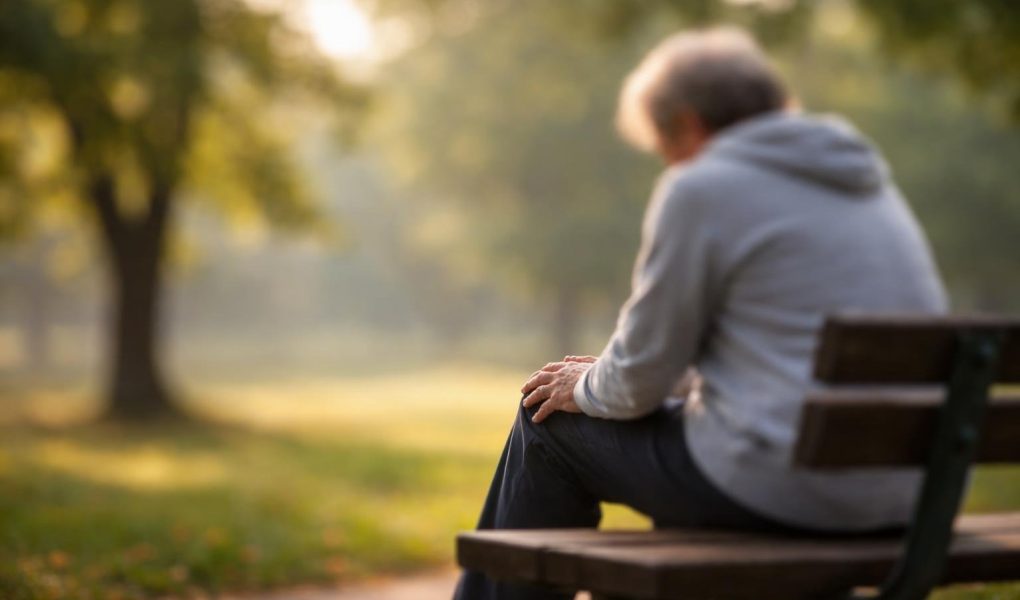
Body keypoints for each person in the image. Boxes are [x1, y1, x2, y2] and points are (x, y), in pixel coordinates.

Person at [453, 26, 946, 600]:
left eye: (663, 145)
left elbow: (638, 379)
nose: (666, 162)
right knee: (670, 432)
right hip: (904, 494)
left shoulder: (703, 187)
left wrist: (585, 384)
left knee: (548, 421)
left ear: (687, 124)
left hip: (786, 491)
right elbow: (758, 358)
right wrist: (605, 380)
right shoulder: (866, 184)